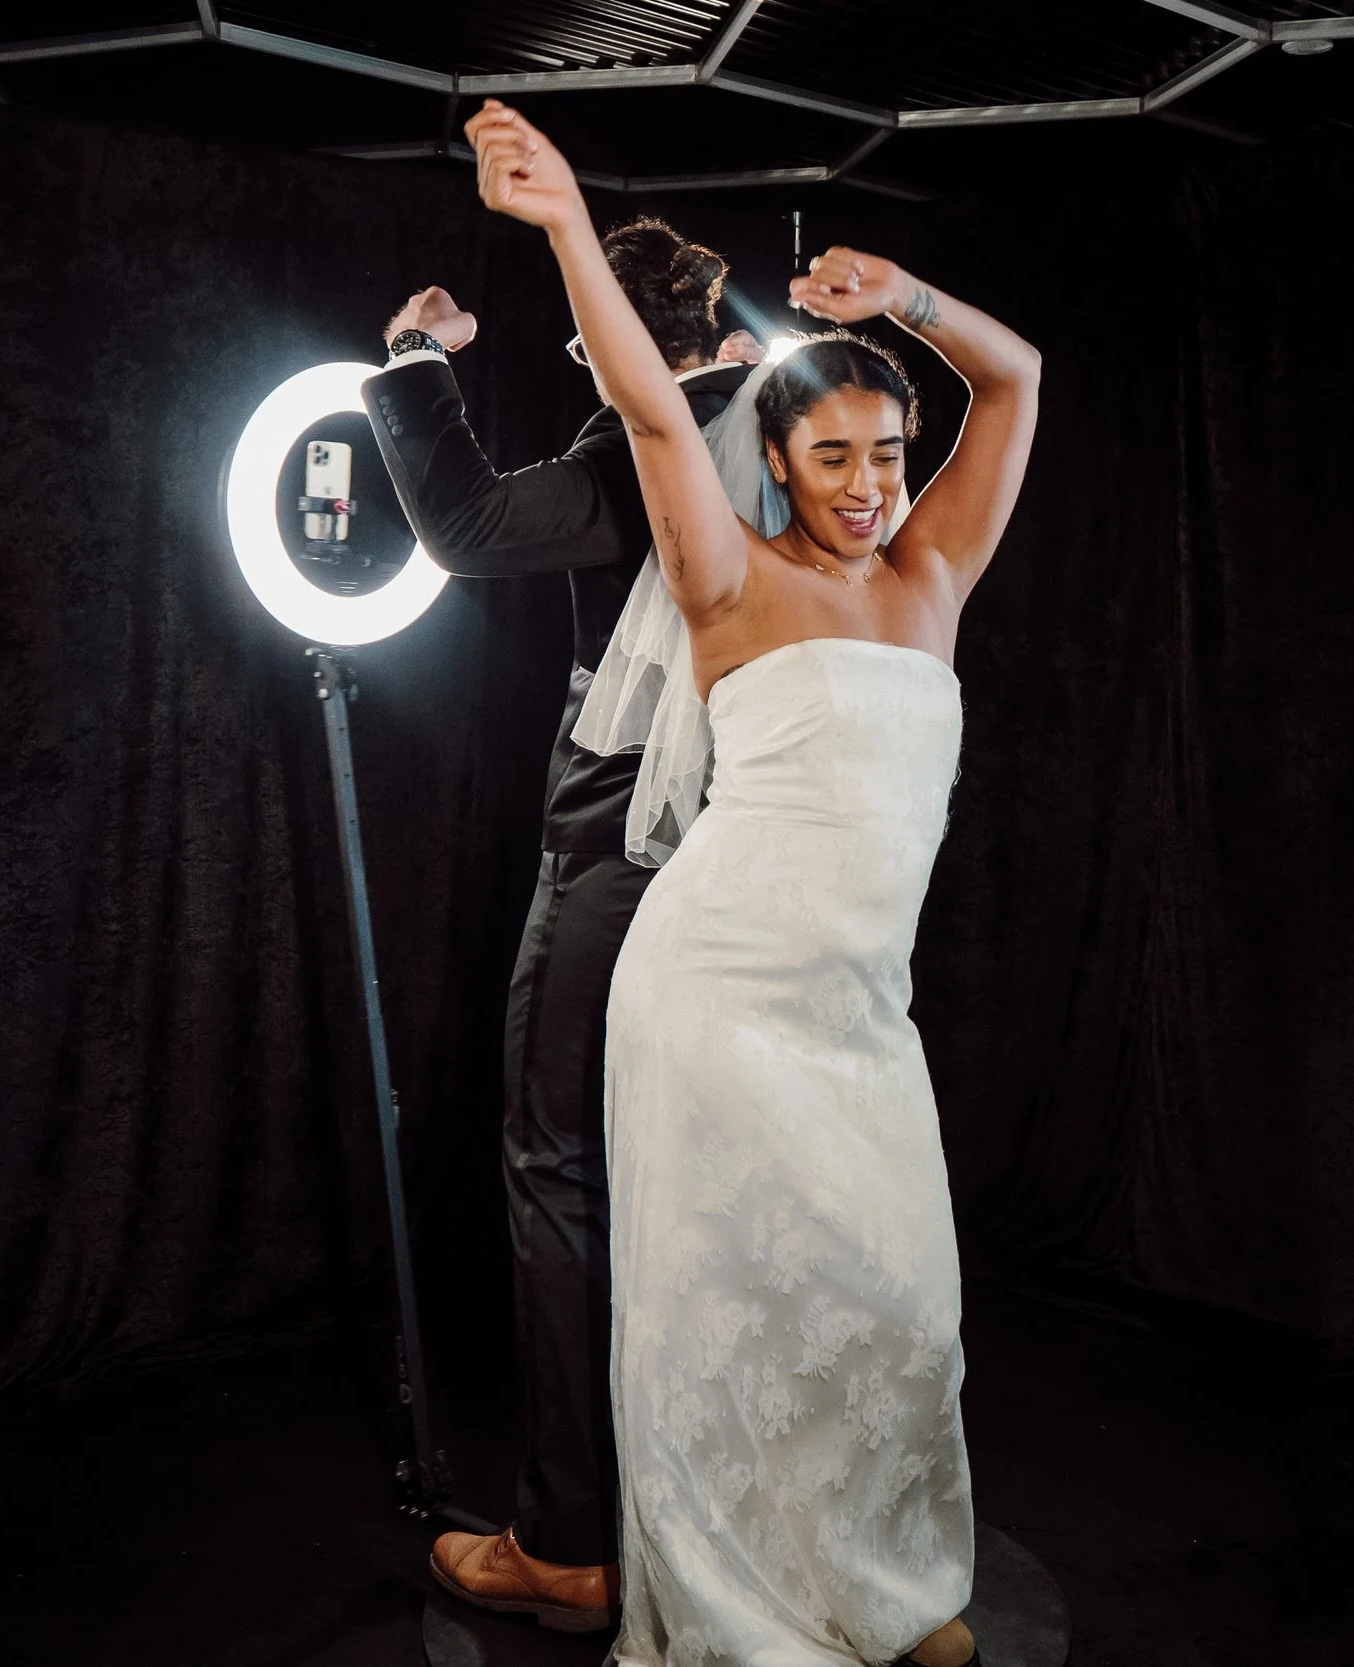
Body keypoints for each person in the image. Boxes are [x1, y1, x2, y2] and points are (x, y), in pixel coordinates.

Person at [466, 97, 1040, 1667]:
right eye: (832, 456)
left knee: (893, 1310)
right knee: (724, 1330)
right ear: (776, 461)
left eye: (886, 453)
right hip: (712, 996)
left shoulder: (930, 578)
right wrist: (571, 221)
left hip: (857, 1018)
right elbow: (658, 414)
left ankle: (878, 1576)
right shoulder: (731, 577)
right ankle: (739, 1600)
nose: (866, 482)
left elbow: (1018, 374)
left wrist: (903, 301)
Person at [361, 219, 763, 1633]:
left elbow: (465, 526)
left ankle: (574, 1537)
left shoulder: (649, 444)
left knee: (560, 1161)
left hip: (632, 844)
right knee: (716, 1177)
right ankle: (716, 1507)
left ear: (608, 347)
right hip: (774, 852)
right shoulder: (811, 427)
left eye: (591, 350)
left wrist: (414, 361)